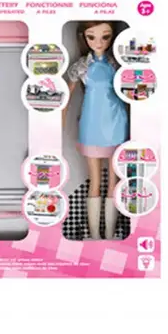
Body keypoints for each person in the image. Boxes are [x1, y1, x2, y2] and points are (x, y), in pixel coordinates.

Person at [63, 22, 128, 239]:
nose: (98, 42)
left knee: (113, 181)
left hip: (117, 122)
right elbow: (64, 98)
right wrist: (57, 124)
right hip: (91, 125)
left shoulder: (117, 63)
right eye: (92, 37)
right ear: (84, 38)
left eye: (105, 37)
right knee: (95, 181)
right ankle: (94, 234)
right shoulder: (81, 66)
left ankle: (109, 233)